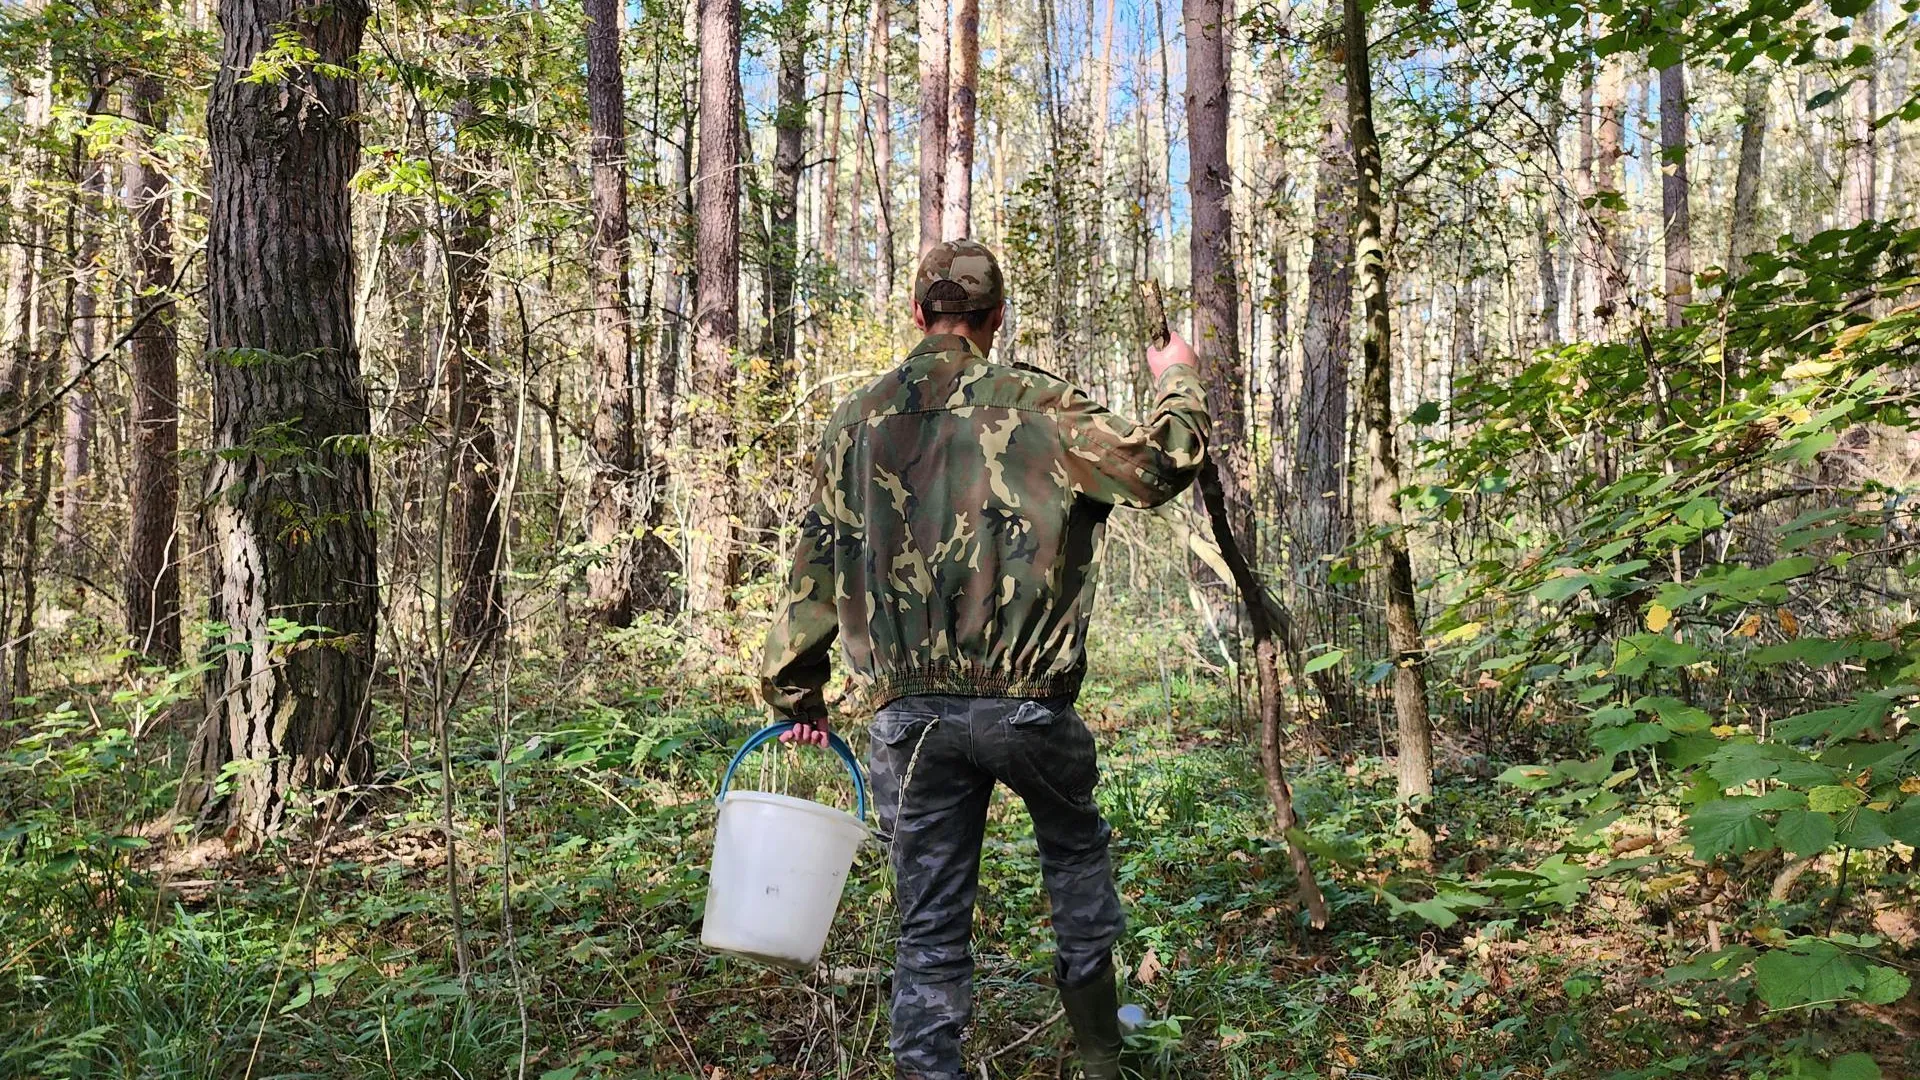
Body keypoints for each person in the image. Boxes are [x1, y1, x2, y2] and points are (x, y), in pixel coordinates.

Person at [759, 239, 1210, 1080]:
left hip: (908, 717)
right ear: (995, 317)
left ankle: (930, 1069)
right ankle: (1102, 1058)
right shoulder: (1041, 405)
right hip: (1028, 705)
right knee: (1073, 856)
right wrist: (1177, 377)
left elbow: (815, 568)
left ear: (917, 313)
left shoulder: (854, 421)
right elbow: (1158, 468)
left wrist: (797, 695)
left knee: (929, 920)